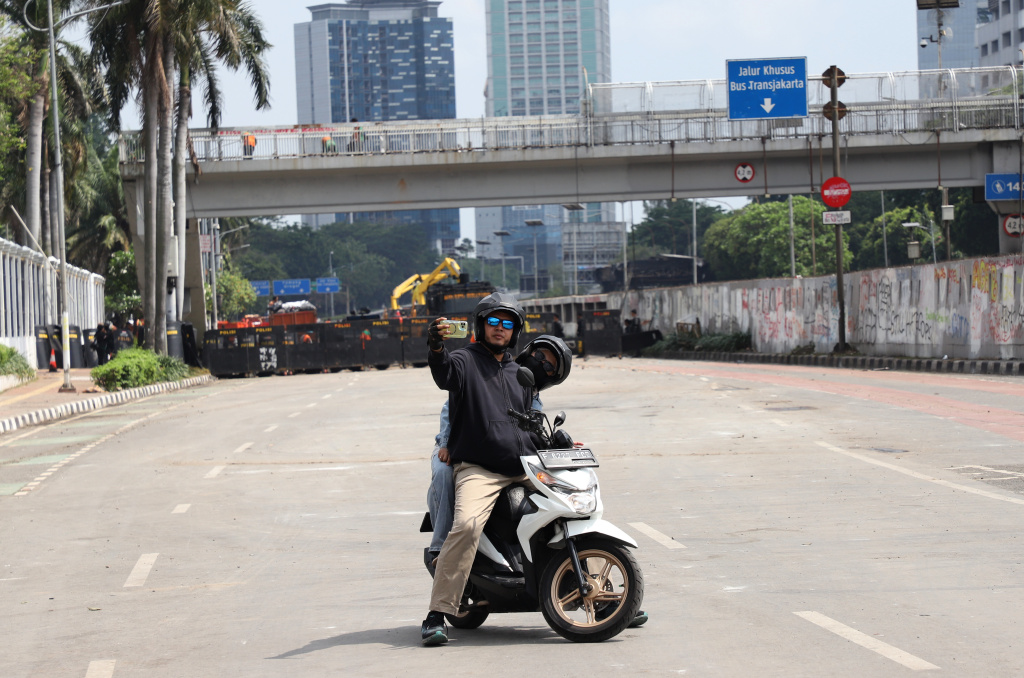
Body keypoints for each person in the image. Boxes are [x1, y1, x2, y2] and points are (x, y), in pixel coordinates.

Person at [420, 292, 535, 646]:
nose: (500, 328)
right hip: (480, 468)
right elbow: (443, 374)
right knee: (467, 525)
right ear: (481, 325)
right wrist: (436, 346)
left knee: (573, 507)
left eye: (507, 323)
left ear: (515, 331)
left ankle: (603, 592)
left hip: (525, 466)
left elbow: (532, 421)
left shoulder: (520, 374)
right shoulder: (464, 361)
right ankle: (437, 613)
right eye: (493, 321)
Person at [425, 335, 568, 566]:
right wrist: (446, 443)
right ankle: (441, 548)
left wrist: (561, 446)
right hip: (459, 446)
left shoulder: (533, 397)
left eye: (548, 366)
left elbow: (536, 431)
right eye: (540, 356)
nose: (541, 364)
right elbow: (451, 408)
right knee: (444, 473)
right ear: (529, 351)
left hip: (503, 458)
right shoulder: (492, 372)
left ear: (552, 377)